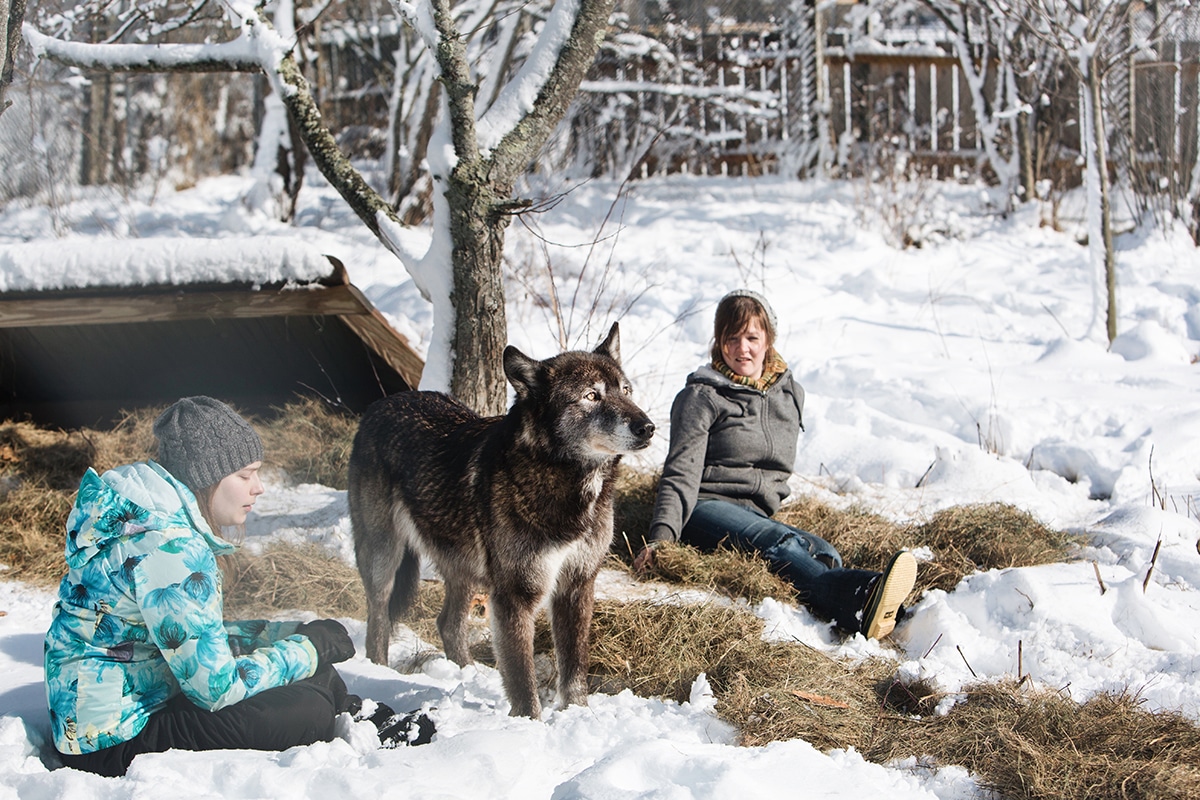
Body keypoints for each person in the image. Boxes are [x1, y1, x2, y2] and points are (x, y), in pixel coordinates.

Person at [44, 396, 432, 777]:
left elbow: (195, 637)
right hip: (110, 741)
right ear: (205, 478)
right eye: (245, 475)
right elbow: (215, 687)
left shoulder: (150, 524)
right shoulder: (168, 549)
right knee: (304, 711)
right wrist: (308, 648)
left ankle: (349, 712)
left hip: (127, 710)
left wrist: (284, 634)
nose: (258, 487)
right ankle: (336, 715)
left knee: (308, 672)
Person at [637, 290, 917, 639]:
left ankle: (865, 608)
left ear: (768, 339)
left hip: (755, 512)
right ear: (719, 342)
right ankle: (862, 598)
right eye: (731, 338)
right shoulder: (702, 396)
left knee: (825, 553)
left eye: (752, 337)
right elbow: (681, 470)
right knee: (778, 541)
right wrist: (661, 540)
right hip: (704, 507)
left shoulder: (788, 393)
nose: (743, 349)